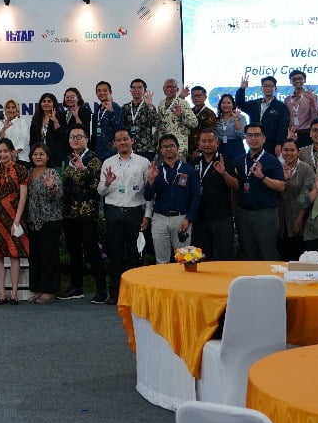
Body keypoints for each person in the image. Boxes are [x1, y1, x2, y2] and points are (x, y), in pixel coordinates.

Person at [97, 128, 151, 304]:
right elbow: (100, 191)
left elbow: (149, 193)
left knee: (135, 255)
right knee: (115, 255)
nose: (122, 142)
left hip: (135, 212)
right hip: (113, 212)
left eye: (125, 139)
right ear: (114, 143)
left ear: (132, 140)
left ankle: (137, 293)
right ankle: (115, 292)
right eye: (119, 140)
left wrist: (147, 215)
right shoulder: (108, 162)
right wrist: (107, 183)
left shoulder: (143, 162)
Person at [59, 126, 106, 302]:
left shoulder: (93, 159)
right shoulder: (68, 158)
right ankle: (76, 287)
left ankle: (102, 290)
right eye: (72, 137)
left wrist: (83, 169)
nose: (75, 139)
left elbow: (95, 185)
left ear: (87, 139)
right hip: (69, 213)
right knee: (74, 251)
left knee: (92, 251)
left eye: (79, 136)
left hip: (86, 213)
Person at [144, 134, 201, 264]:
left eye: (171, 146)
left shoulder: (189, 170)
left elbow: (196, 196)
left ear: (178, 148)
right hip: (160, 218)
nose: (168, 149)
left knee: (184, 259)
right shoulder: (156, 171)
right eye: (165, 146)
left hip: (181, 218)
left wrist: (189, 218)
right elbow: (148, 196)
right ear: (160, 150)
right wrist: (151, 180)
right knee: (161, 260)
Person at [232, 123, 286, 260]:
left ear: (264, 138)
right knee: (248, 254)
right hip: (243, 213)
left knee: (268, 252)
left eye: (257, 135)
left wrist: (262, 177)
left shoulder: (272, 160)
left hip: (265, 213)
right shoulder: (239, 160)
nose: (253, 138)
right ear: (245, 138)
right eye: (249, 135)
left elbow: (281, 186)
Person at [0, 138, 29, 304]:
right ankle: (1, 293)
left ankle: (14, 293)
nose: (2, 154)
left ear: (11, 152)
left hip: (15, 215)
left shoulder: (20, 169)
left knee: (14, 254)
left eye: (5, 151)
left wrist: (16, 221)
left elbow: (23, 196)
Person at [190, 129, 237, 261]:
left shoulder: (225, 160)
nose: (207, 144)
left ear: (217, 142)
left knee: (225, 256)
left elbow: (236, 185)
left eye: (210, 141)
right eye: (204, 141)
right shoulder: (194, 163)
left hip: (221, 217)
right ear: (199, 144)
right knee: (202, 258)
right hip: (200, 218)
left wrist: (224, 173)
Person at [25, 143, 62, 304]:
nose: (38, 157)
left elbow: (58, 195)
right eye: (35, 154)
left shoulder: (52, 173)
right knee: (36, 257)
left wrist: (51, 187)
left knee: (49, 256)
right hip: (32, 221)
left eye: (41, 154)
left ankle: (50, 290)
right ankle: (38, 289)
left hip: (50, 220)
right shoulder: (28, 173)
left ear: (47, 157)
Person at [278, 139, 314, 261]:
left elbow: (308, 197)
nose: (289, 153)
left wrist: (300, 218)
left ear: (298, 152)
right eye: (285, 150)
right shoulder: (277, 167)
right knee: (283, 258)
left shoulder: (306, 169)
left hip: (299, 218)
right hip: (280, 219)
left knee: (298, 257)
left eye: (292, 150)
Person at [236, 75, 288, 155]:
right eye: (265, 86)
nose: (268, 88)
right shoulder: (255, 104)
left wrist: (279, 143)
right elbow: (240, 104)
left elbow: (282, 126)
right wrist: (242, 89)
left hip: (271, 144)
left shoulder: (280, 106)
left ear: (275, 88)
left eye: (270, 86)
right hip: (254, 141)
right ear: (261, 88)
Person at [155, 80, 198, 160]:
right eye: (167, 87)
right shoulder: (161, 103)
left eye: (172, 87)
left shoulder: (182, 103)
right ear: (163, 88)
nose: (169, 89)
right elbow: (159, 125)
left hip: (179, 150)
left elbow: (194, 123)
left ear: (177, 89)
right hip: (163, 149)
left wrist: (180, 115)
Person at [28, 92, 68, 167]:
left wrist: (55, 121)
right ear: (41, 104)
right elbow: (33, 140)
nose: (46, 103)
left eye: (49, 101)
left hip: (56, 156)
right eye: (44, 101)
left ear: (54, 104)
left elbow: (62, 136)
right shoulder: (36, 118)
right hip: (39, 156)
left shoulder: (60, 117)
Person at [122, 79, 159, 159]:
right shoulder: (125, 107)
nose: (136, 90)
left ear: (144, 90)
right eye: (133, 88)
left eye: (139, 87)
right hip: (129, 148)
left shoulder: (149, 106)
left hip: (146, 148)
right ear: (130, 90)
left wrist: (149, 106)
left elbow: (155, 123)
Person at [284, 70, 318, 148]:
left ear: (304, 80)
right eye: (294, 79)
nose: (297, 81)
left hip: (307, 133)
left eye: (300, 78)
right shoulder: (287, 100)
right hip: (292, 135)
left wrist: (312, 101)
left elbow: (317, 118)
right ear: (290, 81)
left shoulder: (312, 97)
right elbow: (286, 119)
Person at [91, 81, 125, 160]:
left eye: (105, 90)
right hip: (98, 152)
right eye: (99, 91)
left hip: (112, 153)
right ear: (96, 93)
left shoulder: (115, 107)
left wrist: (111, 111)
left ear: (110, 92)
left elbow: (120, 129)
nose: (101, 93)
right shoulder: (98, 109)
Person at [0, 98, 30, 165]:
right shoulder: (0, 123)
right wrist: (4, 128)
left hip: (21, 159)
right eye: (8, 107)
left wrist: (14, 153)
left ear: (17, 110)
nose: (10, 110)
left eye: (13, 107)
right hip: (4, 159)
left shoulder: (22, 122)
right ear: (5, 110)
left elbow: (25, 140)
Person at [214, 93, 247, 166]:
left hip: (236, 147)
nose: (226, 105)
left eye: (228, 103)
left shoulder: (240, 117)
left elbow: (243, 135)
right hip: (220, 147)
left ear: (233, 105)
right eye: (223, 103)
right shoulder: (216, 119)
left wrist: (235, 119)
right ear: (220, 105)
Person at [187, 86, 217, 158]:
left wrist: (199, 149)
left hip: (202, 151)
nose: (196, 98)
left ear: (205, 97)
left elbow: (210, 133)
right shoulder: (188, 112)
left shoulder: (209, 113)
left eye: (199, 96)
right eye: (193, 96)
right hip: (187, 149)